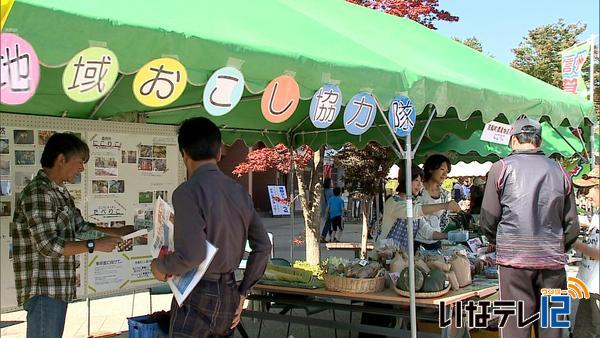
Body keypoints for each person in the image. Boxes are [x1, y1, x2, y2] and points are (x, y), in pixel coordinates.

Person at [150, 117, 272, 337]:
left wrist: (160, 265)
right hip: (229, 291)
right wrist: (243, 292)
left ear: (184, 153)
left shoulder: (187, 192)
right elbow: (263, 246)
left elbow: (191, 256)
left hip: (198, 292)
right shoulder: (239, 192)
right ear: (218, 154)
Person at [11, 133, 128, 338]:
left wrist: (118, 232)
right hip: (44, 289)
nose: (82, 169)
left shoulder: (60, 192)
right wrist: (94, 245)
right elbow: (48, 246)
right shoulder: (39, 192)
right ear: (61, 159)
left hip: (57, 288)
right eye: (80, 162)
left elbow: (80, 227)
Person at [480, 117, 579, 338]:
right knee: (553, 327)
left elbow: (488, 219)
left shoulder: (501, 168)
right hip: (552, 263)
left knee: (515, 327)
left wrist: (500, 241)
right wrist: (557, 247)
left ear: (513, 140)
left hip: (514, 263)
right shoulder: (560, 171)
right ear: (539, 142)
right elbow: (572, 226)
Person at [382, 164, 461, 252]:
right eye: (416, 180)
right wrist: (445, 205)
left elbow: (426, 230)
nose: (420, 185)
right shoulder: (394, 202)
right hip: (384, 254)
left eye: (421, 181)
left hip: (403, 255)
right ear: (406, 181)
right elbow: (413, 211)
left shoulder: (413, 203)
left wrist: (448, 235)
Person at [571, 166, 599, 336]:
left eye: (589, 189)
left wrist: (573, 242)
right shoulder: (597, 214)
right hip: (588, 286)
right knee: (583, 332)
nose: (586, 195)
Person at [416, 154, 453, 250]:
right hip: (417, 242)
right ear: (430, 169)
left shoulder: (444, 194)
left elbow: (444, 219)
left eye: (447, 171)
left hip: (436, 242)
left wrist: (440, 234)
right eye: (442, 169)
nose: (445, 174)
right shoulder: (417, 191)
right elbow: (417, 219)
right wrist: (444, 236)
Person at [319, 178, 334, 243]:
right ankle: (323, 236)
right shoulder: (331, 191)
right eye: (331, 182)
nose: (332, 183)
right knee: (329, 223)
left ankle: (331, 237)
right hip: (330, 209)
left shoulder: (322, 191)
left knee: (329, 223)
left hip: (324, 208)